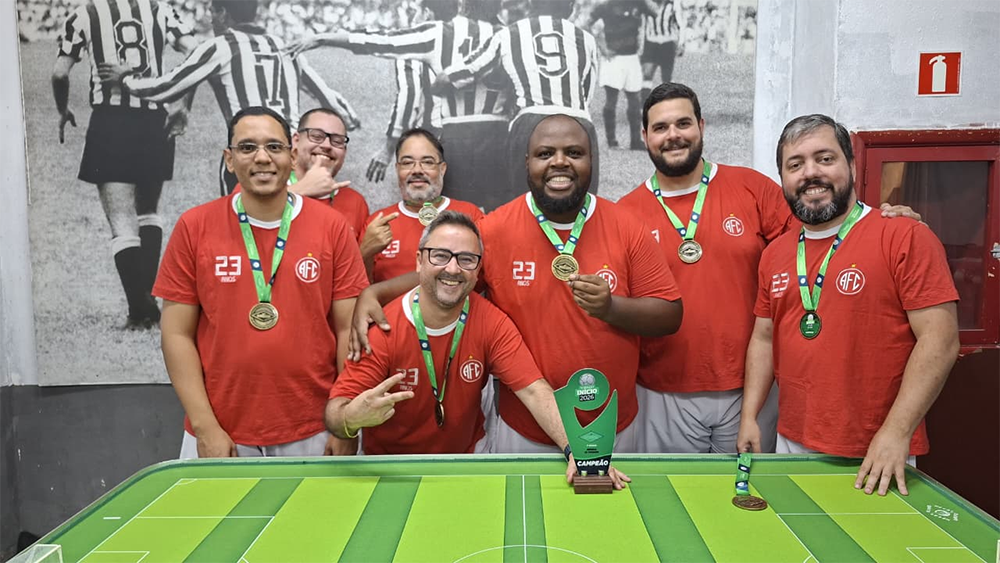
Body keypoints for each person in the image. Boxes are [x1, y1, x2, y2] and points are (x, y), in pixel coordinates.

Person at [617, 83, 924, 455]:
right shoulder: (625, 213)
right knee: (676, 488)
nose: (673, 135)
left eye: (683, 123)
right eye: (661, 127)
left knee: (751, 488)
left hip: (753, 389)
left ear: (701, 126)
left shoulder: (752, 188)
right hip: (661, 390)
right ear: (644, 136)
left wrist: (883, 219)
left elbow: (824, 234)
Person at [352, 114, 683, 456]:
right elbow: (447, 275)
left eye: (573, 152)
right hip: (523, 427)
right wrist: (375, 292)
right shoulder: (494, 229)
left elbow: (670, 315)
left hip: (612, 421)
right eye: (545, 153)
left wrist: (611, 308)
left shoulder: (626, 225)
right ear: (527, 162)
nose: (559, 162)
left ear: (592, 160)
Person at [737, 114, 959, 496]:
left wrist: (896, 432)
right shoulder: (774, 254)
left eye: (825, 159)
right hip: (792, 440)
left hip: (877, 450)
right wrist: (750, 416)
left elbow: (941, 340)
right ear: (783, 178)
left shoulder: (904, 236)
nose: (811, 173)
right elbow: (763, 337)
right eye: (795, 164)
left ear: (852, 166)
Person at [154, 107, 369, 458]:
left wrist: (344, 419)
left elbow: (349, 330)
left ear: (292, 155)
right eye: (247, 147)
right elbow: (176, 334)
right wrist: (205, 427)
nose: (262, 158)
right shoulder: (195, 227)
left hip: (314, 428)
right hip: (220, 432)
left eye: (274, 146)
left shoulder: (332, 227)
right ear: (229, 159)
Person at [328, 212, 581, 484]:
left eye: (466, 259)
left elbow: (533, 390)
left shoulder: (491, 322)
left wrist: (575, 449)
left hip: (467, 461)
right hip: (392, 468)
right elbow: (336, 411)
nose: (452, 269)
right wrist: (351, 419)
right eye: (440, 256)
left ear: (477, 269)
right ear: (419, 260)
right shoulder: (383, 329)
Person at [97, 0, 360, 196]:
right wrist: (348, 118)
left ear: (223, 14)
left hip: (250, 153)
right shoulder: (283, 45)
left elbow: (165, 87)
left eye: (213, 12)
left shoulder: (220, 46)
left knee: (244, 235)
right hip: (294, 153)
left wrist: (125, 78)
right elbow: (328, 97)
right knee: (294, 232)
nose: (211, 19)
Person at [52, 0, 196, 329]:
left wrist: (63, 110)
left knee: (121, 218)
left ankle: (139, 309)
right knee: (148, 211)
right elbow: (194, 52)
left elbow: (60, 73)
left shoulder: (86, 14)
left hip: (111, 122)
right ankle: (147, 302)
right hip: (155, 121)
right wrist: (183, 104)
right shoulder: (160, 10)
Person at [290, 0, 510, 211]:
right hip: (500, 138)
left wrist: (324, 38)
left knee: (449, 217)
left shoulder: (437, 33)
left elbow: (380, 41)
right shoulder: (509, 35)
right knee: (502, 218)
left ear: (463, 4)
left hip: (456, 137)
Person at [434, 0, 601, 204]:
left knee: (525, 205)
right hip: (579, 122)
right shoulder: (586, 39)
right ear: (570, 5)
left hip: (531, 122)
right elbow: (587, 94)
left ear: (531, 4)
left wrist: (441, 81)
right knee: (581, 204)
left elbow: (471, 68)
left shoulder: (509, 33)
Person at [362, 128, 485, 282]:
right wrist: (365, 252)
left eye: (427, 162)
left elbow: (485, 279)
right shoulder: (377, 223)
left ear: (442, 169)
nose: (417, 170)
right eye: (407, 163)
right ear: (397, 169)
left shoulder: (470, 215)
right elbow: (359, 287)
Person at [288, 107, 370, 238]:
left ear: (345, 151)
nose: (326, 146)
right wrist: (297, 191)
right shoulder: (267, 189)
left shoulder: (355, 202)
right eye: (316, 136)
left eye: (337, 141)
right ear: (296, 141)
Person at [587, 0, 650, 150]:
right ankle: (611, 140)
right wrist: (602, 47)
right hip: (613, 59)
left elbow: (655, 12)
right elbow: (587, 24)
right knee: (611, 100)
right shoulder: (606, 5)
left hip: (632, 57)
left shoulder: (638, 3)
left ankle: (635, 141)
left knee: (635, 100)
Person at [640, 0, 682, 102]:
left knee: (666, 76)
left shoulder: (673, 4)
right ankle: (644, 104)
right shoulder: (647, 4)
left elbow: (680, 25)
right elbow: (642, 24)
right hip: (651, 42)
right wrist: (641, 45)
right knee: (647, 73)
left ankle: (669, 104)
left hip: (667, 43)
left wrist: (681, 43)